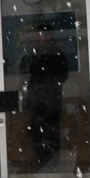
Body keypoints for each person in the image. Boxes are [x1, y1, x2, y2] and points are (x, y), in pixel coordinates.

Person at [24, 23, 69, 169]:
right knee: (39, 130)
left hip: (49, 99)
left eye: (42, 35)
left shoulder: (55, 53)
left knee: (49, 130)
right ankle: (44, 159)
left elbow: (62, 75)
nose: (39, 38)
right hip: (40, 98)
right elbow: (32, 73)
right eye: (38, 35)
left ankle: (50, 160)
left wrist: (47, 87)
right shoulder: (37, 52)